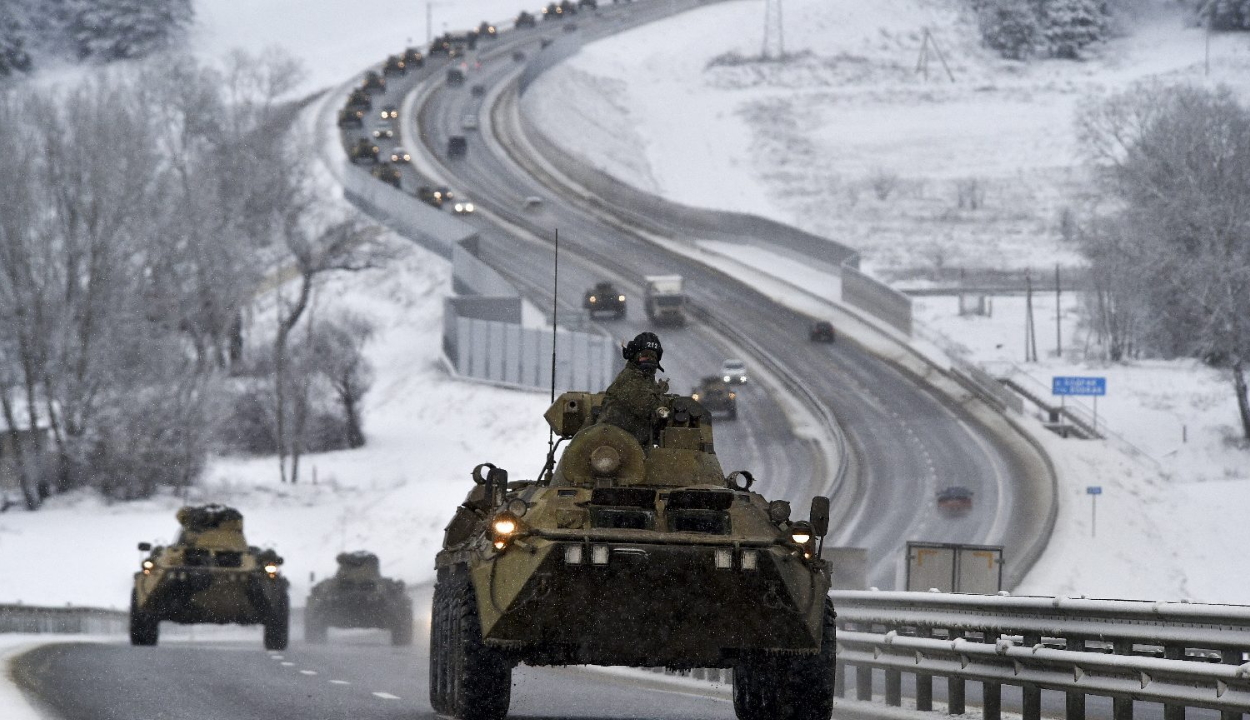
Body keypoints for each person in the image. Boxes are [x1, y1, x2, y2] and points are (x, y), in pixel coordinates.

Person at [597, 332, 670, 447]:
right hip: (612, 444)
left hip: (631, 444)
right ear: (634, 356)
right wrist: (666, 402)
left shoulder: (645, 379)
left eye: (653, 357)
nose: (649, 360)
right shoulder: (630, 379)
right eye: (645, 355)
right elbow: (648, 407)